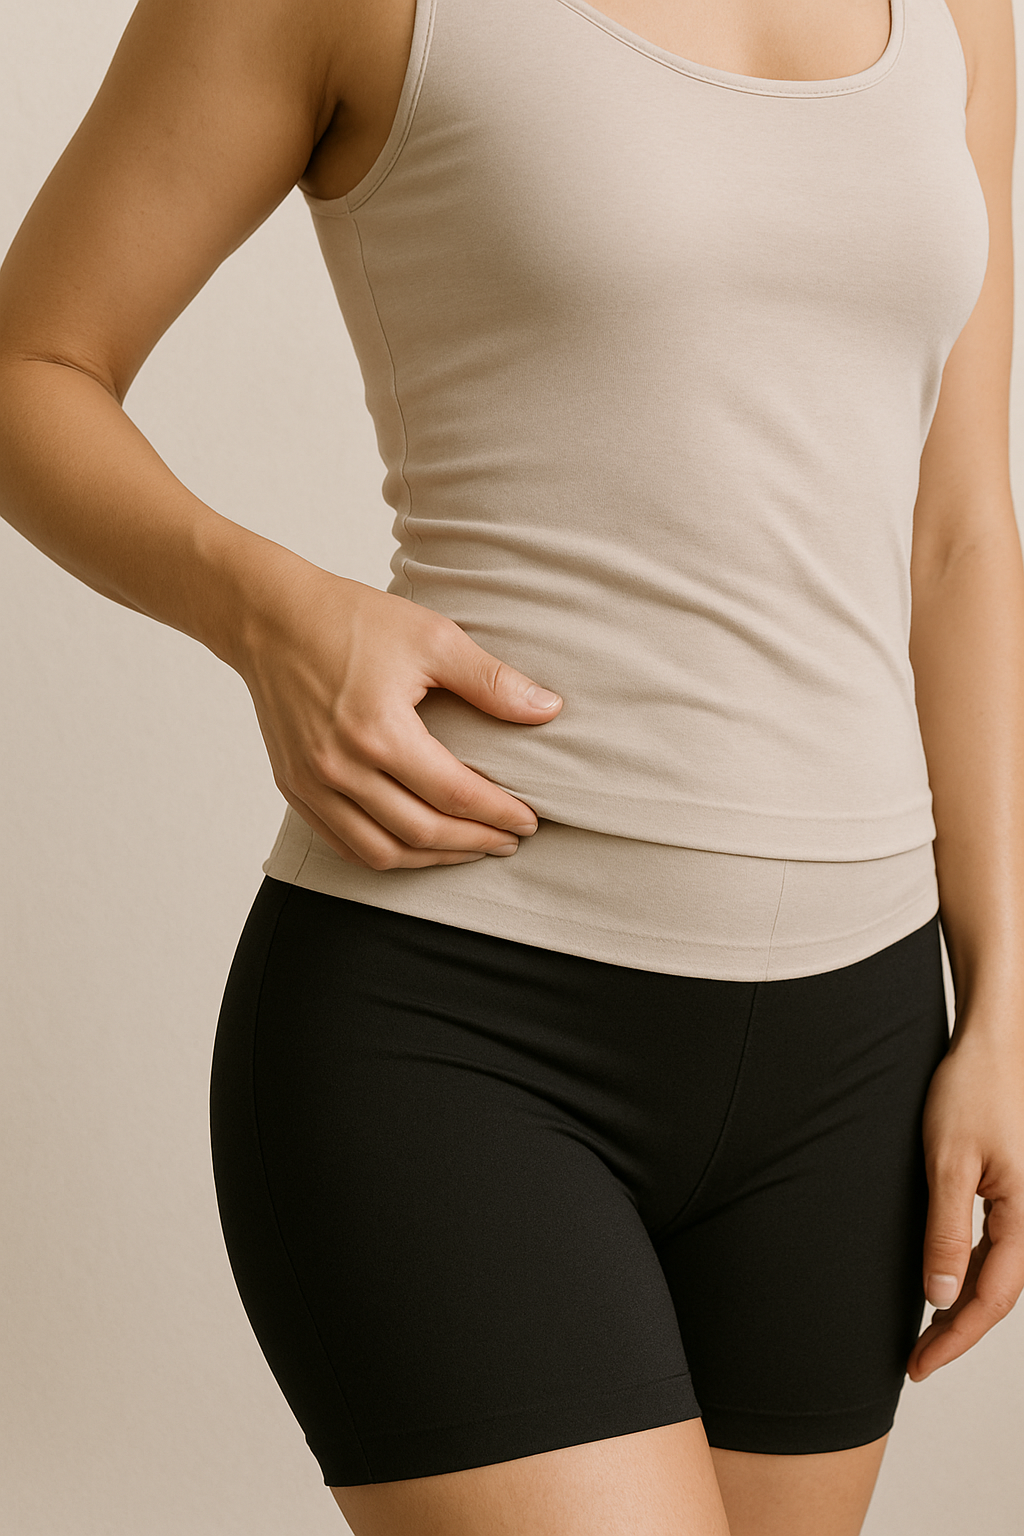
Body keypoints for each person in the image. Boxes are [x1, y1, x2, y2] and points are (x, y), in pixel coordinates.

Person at [1, 0, 1021, 1531]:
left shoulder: (967, 12)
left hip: (858, 1050)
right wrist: (263, 606)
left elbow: (957, 528)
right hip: (467, 1017)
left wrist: (1005, 992)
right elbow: (31, 363)